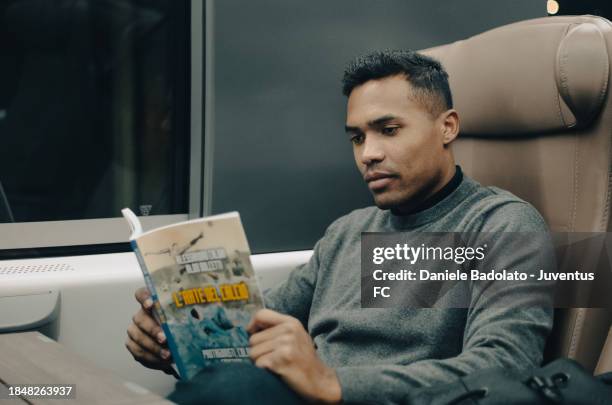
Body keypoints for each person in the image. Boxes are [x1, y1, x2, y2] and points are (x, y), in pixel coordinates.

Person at [125, 50, 554, 404]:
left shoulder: (502, 225)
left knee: (230, 391)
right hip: (299, 396)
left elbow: (504, 366)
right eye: (357, 138)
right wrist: (175, 337)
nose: (368, 153)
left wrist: (333, 382)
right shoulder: (349, 232)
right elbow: (254, 324)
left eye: (388, 130)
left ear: (447, 127)